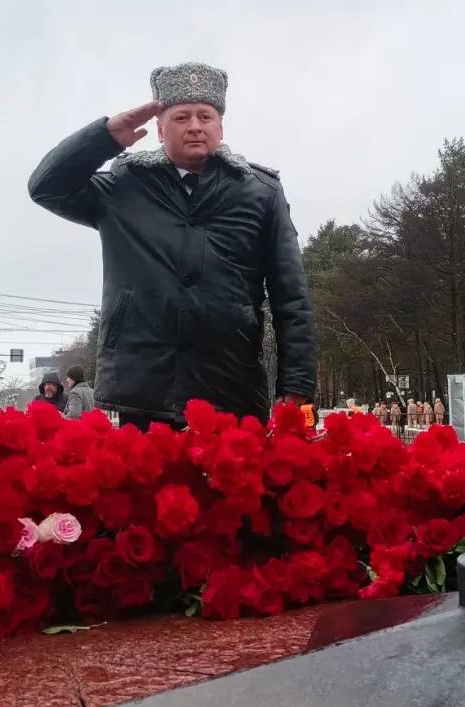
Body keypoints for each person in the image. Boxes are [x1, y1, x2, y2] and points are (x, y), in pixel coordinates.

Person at [28, 62, 316, 431]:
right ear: (161, 130)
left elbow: (291, 296)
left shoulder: (260, 192)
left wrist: (295, 385)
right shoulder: (125, 185)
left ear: (220, 126)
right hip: (145, 389)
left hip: (231, 384)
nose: (195, 126)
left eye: (204, 116)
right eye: (181, 117)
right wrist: (104, 138)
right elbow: (46, 187)